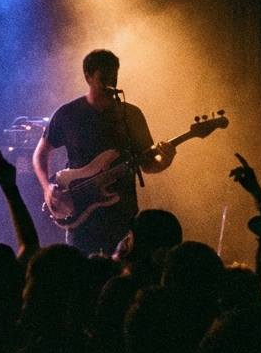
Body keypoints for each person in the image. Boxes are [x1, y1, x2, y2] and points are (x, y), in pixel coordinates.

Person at [32, 49, 176, 256]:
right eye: (104, 76)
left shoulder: (131, 115)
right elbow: (40, 154)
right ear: (88, 77)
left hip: (122, 212)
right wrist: (47, 189)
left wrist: (166, 160)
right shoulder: (69, 113)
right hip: (80, 211)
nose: (111, 81)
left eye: (114, 75)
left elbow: (148, 165)